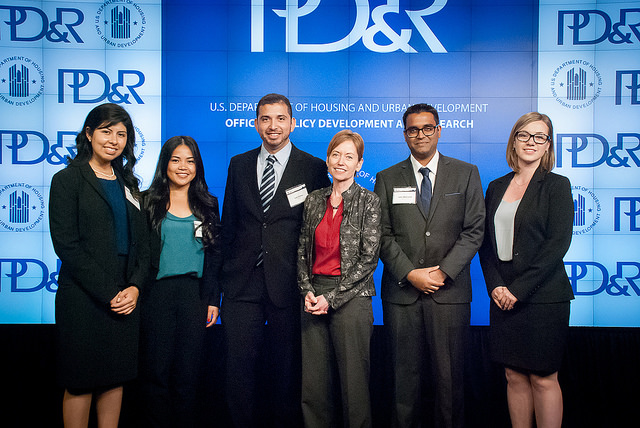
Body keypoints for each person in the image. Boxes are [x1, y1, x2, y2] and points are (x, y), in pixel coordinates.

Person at [220, 93, 331, 427]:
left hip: (288, 283)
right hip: (242, 283)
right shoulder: (238, 164)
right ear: (256, 124)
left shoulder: (312, 168)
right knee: (238, 368)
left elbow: (320, 229)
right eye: (266, 119)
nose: (273, 126)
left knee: (286, 369)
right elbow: (230, 224)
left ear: (292, 123)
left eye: (280, 118)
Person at [374, 103, 485, 428]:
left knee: (450, 383)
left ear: (438, 130)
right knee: (402, 384)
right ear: (405, 134)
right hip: (402, 295)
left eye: (427, 128)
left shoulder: (465, 173)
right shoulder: (387, 177)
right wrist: (409, 273)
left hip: (449, 294)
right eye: (413, 129)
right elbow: (381, 233)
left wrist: (442, 272)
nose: (420, 134)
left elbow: (474, 229)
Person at [49, 103, 149, 428]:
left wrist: (134, 287)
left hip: (125, 298)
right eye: (106, 131)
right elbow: (67, 245)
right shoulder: (67, 180)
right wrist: (111, 293)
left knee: (114, 378)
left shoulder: (130, 185)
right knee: (80, 381)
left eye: (122, 134)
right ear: (89, 134)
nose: (114, 140)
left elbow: (143, 245)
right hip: (83, 299)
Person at [479, 112, 574, 428]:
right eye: (524, 135)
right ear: (514, 140)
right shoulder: (496, 187)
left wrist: (518, 291)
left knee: (543, 377)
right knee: (513, 374)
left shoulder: (557, 186)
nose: (531, 142)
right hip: (502, 297)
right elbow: (485, 245)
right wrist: (495, 286)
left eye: (540, 137)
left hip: (543, 298)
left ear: (548, 145)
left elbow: (557, 245)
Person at [297, 130, 381, 428]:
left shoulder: (369, 201)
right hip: (313, 297)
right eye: (335, 155)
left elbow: (368, 260)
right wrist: (307, 290)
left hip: (351, 300)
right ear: (328, 160)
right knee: (314, 387)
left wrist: (331, 299)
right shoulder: (313, 200)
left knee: (353, 384)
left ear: (359, 163)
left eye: (349, 156)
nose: (341, 161)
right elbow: (303, 251)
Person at [139, 136, 222, 427]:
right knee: (156, 373)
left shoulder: (208, 204)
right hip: (155, 296)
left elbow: (214, 256)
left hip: (194, 296)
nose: (183, 167)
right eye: (176, 160)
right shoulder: (146, 201)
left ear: (197, 166)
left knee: (188, 375)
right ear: (165, 164)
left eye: (190, 161)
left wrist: (214, 298)